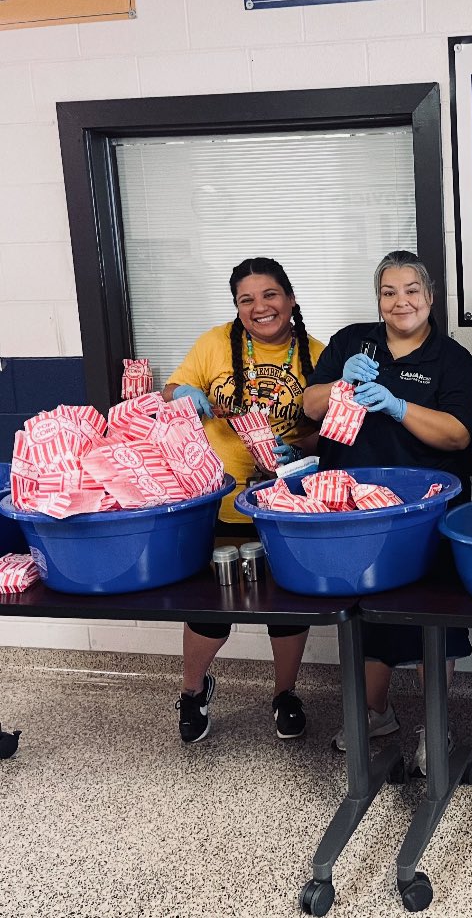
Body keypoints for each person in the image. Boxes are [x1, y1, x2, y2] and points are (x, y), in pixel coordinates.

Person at [303, 249, 472, 776]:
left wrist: (401, 408)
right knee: (364, 610)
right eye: (388, 292)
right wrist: (337, 386)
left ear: (429, 298)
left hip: (426, 512)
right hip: (351, 507)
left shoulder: (451, 359)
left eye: (411, 291)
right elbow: (309, 406)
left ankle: (434, 725)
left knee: (432, 619)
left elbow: (460, 433)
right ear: (378, 300)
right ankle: (375, 713)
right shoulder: (350, 342)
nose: (400, 302)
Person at [164, 257, 325, 744]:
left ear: (291, 299)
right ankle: (193, 691)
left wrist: (301, 448)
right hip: (220, 503)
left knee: (286, 611)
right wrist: (181, 395)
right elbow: (171, 388)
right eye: (247, 299)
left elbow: (331, 432)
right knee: (210, 614)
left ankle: (285, 695)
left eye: (270, 295)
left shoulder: (317, 354)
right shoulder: (214, 343)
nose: (260, 307)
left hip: (285, 505)